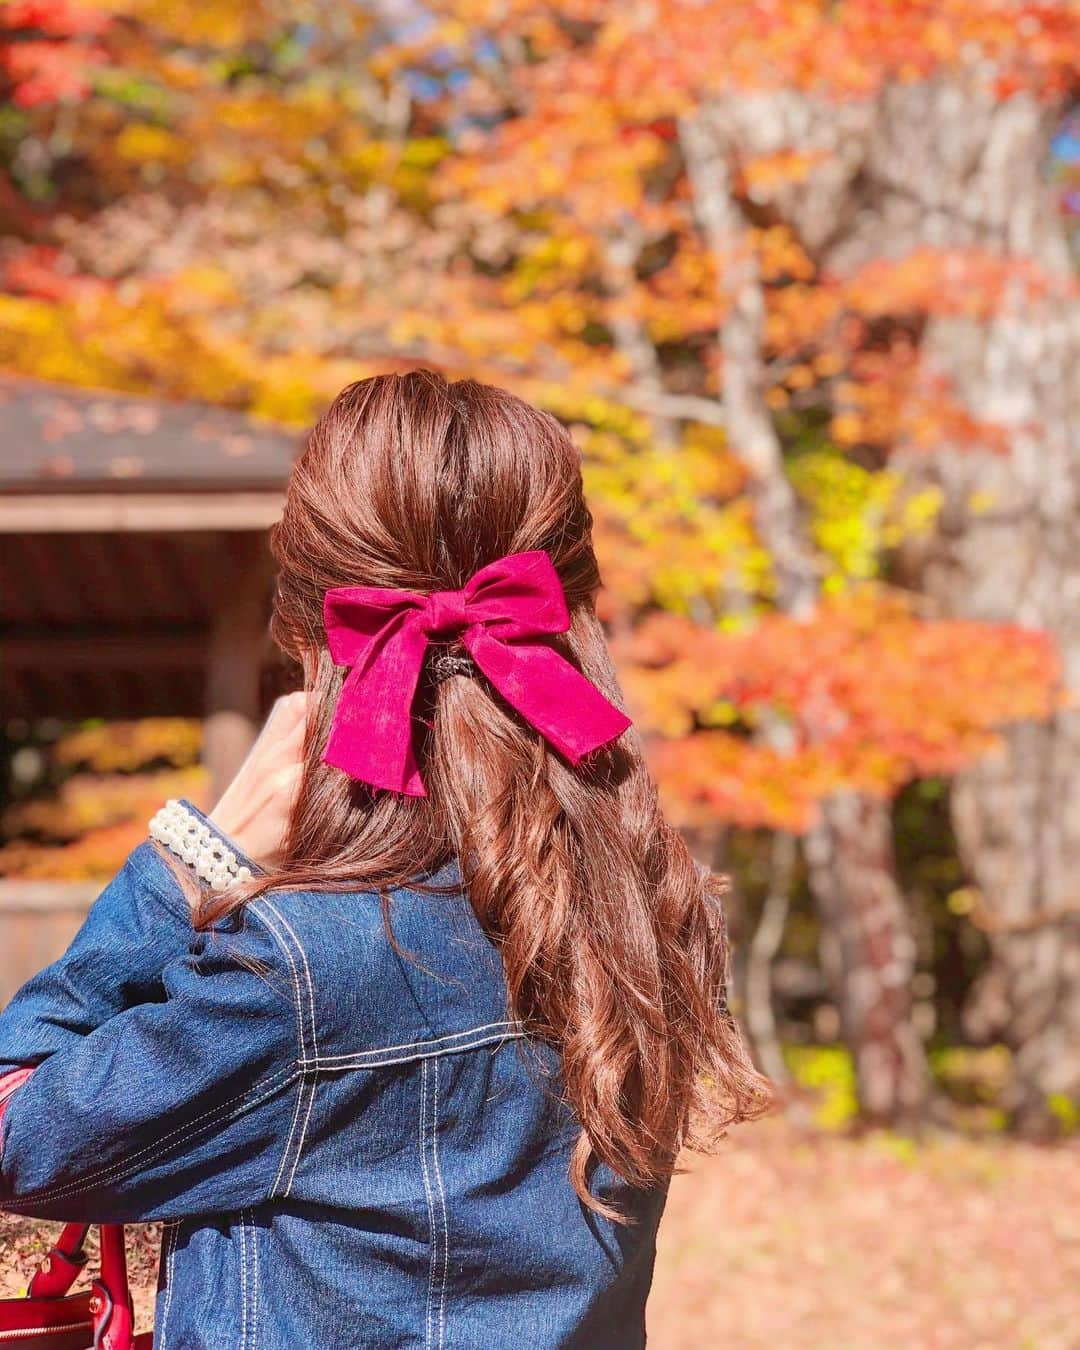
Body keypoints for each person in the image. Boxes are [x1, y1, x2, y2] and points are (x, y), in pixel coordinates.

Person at [0, 371, 771, 1348]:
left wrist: (189, 862)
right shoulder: (647, 905)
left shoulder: (295, 971)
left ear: (311, 621)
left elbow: (19, 1126)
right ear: (571, 610)